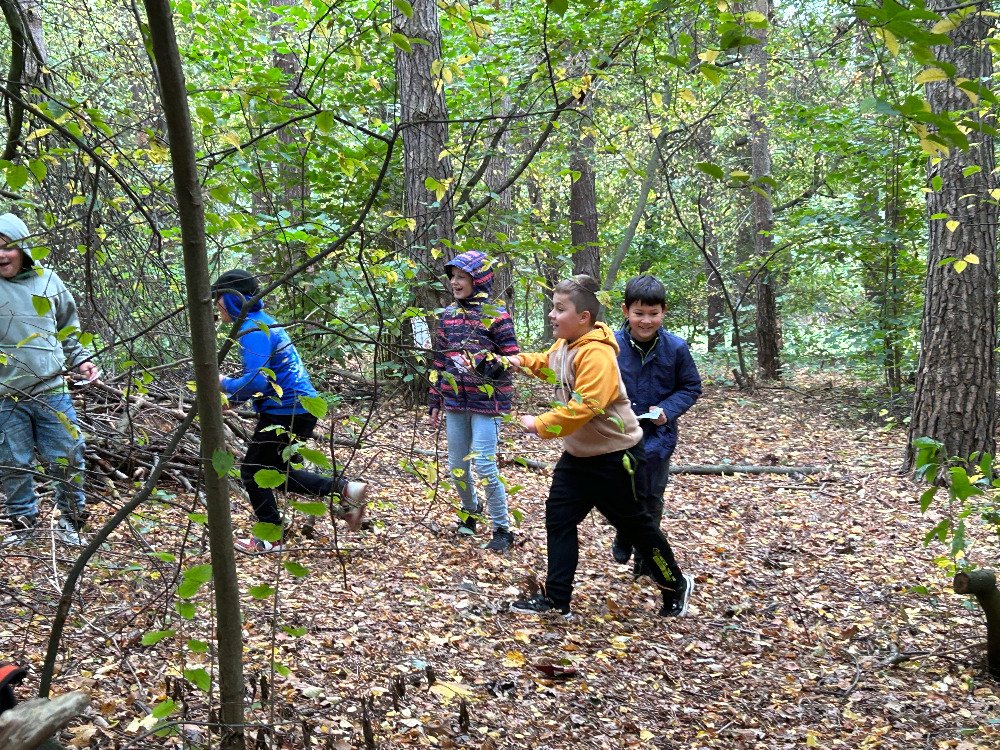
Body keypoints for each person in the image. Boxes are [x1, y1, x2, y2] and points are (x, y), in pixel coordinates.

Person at [502, 274, 693, 618]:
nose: (552, 315)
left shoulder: (597, 354)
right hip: (579, 456)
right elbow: (549, 365)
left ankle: (674, 583)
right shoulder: (566, 345)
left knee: (636, 527)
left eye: (559, 309)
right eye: (553, 307)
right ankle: (557, 599)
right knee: (559, 519)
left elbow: (586, 405)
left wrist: (539, 424)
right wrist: (518, 361)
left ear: (583, 317)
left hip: (615, 459)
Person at [213, 269, 368, 553]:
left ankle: (271, 537)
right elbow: (269, 377)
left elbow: (258, 380)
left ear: (234, 298)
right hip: (297, 409)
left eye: (219, 297)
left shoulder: (253, 329)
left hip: (287, 410)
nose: (216, 304)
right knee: (274, 473)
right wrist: (234, 400)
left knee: (253, 472)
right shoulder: (262, 322)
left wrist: (224, 383)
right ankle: (344, 489)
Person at [0, 213, 98, 547]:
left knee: (68, 454)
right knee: (13, 463)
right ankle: (23, 524)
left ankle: (71, 520)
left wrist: (82, 359)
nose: (1, 255)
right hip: (5, 396)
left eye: (8, 247)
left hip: (52, 389)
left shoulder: (48, 281)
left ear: (24, 248)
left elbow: (68, 327)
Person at [428, 251, 520, 552]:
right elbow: (440, 360)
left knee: (483, 464)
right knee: (457, 464)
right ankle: (470, 510)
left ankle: (502, 528)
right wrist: (435, 399)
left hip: (488, 403)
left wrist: (483, 365)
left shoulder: (497, 315)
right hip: (455, 400)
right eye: (453, 277)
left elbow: (512, 358)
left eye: (462, 277)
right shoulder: (447, 316)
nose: (455, 283)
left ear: (478, 280)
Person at [612, 274, 702, 577]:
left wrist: (668, 409)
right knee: (622, 492)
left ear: (663, 311)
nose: (646, 321)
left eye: (653, 313)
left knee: (651, 496)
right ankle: (624, 533)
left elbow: (690, 386)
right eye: (639, 313)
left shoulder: (675, 348)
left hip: (658, 436)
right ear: (626, 311)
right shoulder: (610, 346)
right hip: (619, 434)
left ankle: (645, 556)